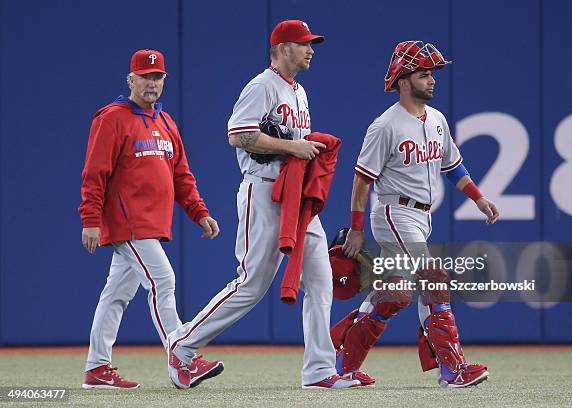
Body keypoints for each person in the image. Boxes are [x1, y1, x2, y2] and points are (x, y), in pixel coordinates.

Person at [164, 20, 362, 390]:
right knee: (253, 284)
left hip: (297, 199)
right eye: (303, 44)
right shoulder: (262, 86)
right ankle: (182, 345)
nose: (311, 49)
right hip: (263, 191)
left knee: (321, 282)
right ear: (282, 49)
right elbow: (237, 135)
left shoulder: (299, 92)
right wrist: (292, 146)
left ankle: (319, 370)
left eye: (311, 43)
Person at [331, 41, 499, 388]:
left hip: (421, 217)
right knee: (434, 279)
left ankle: (345, 361)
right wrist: (357, 230)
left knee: (396, 294)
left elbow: (453, 166)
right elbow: (362, 181)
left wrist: (479, 198)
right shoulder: (385, 126)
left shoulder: (436, 119)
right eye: (424, 74)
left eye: (432, 74)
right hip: (394, 211)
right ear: (403, 81)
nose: (432, 80)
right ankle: (452, 369)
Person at [79, 49, 223, 389]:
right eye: (145, 77)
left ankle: (96, 368)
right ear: (131, 79)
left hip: (152, 225)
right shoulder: (111, 118)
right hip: (128, 223)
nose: (152, 83)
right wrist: (90, 219)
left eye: (158, 78)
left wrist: (199, 212)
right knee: (164, 280)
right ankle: (182, 359)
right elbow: (94, 173)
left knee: (115, 295)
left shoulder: (166, 121)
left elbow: (182, 176)